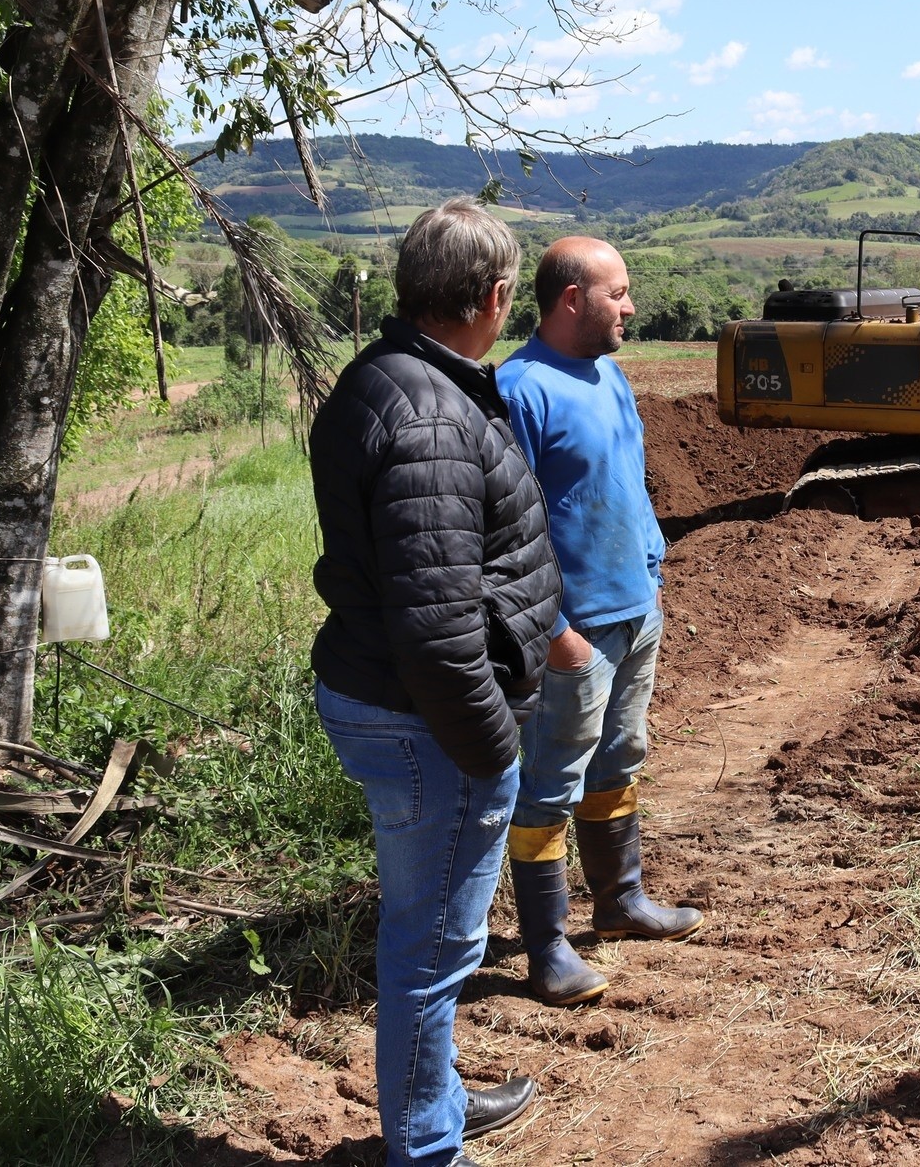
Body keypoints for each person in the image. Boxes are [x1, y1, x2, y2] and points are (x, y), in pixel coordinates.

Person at [307, 199, 556, 1166]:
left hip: (397, 701)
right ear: (494, 297)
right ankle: (425, 1144)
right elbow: (438, 624)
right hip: (428, 720)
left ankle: (437, 1098)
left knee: (431, 933)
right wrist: (495, 750)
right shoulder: (433, 416)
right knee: (434, 946)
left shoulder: (388, 379)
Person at [495, 236, 703, 1006]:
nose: (632, 305)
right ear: (572, 299)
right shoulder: (519, 390)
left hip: (633, 611)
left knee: (618, 759)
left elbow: (626, 483)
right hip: (572, 636)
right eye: (618, 292)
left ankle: (619, 904)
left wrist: (652, 574)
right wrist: (556, 633)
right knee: (549, 781)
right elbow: (507, 533)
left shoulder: (610, 376)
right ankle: (546, 947)